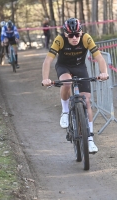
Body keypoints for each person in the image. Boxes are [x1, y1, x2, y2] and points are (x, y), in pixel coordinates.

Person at [41, 18, 109, 153]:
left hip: (79, 67)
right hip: (63, 66)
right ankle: (65, 111)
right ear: (65, 34)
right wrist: (45, 79)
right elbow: (48, 60)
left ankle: (89, 140)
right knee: (66, 83)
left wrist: (104, 72)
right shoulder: (59, 40)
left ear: (81, 32)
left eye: (77, 34)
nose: (74, 38)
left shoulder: (86, 38)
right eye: (71, 35)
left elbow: (99, 57)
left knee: (87, 101)